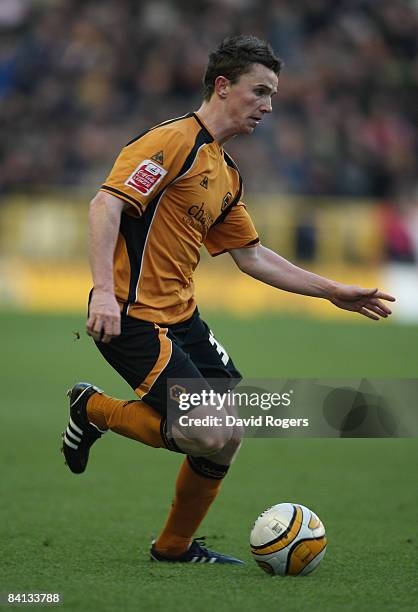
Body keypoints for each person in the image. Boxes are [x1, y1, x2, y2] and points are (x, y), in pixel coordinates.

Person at [61, 35, 395, 565]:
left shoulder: (227, 173)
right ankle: (95, 408)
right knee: (209, 430)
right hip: (130, 315)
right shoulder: (173, 141)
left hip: (183, 318)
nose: (268, 106)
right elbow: (106, 205)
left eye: (273, 96)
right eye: (259, 92)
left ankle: (173, 547)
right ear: (222, 86)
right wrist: (103, 291)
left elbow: (253, 257)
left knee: (230, 433)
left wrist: (333, 291)